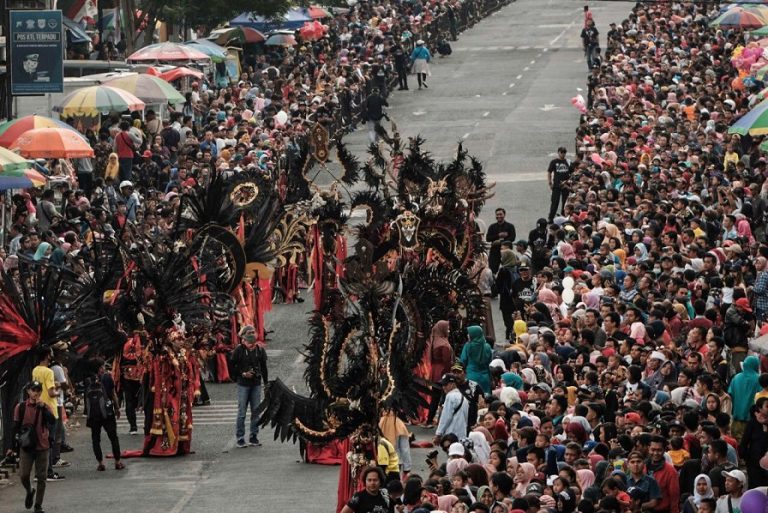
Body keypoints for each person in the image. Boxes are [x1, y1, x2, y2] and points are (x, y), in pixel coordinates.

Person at [230, 324, 268, 448]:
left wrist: (266, 383)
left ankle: (253, 437)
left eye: (253, 333)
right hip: (243, 385)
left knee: (256, 412)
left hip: (256, 384)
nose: (251, 344)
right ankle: (240, 438)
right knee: (242, 413)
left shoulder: (260, 350)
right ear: (243, 339)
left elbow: (264, 368)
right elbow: (231, 367)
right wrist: (242, 374)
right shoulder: (238, 351)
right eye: (249, 334)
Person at [31, 347, 64, 481]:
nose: (52, 355)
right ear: (47, 356)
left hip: (38, 408)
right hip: (50, 410)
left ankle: (38, 472)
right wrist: (58, 391)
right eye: (51, 353)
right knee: (49, 442)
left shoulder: (35, 370)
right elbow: (51, 393)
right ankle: (48, 472)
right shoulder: (49, 372)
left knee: (39, 441)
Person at [85, 358, 124, 471]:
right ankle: (117, 462)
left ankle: (100, 463)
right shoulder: (107, 377)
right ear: (100, 368)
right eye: (102, 366)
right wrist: (117, 408)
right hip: (107, 413)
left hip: (93, 415)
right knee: (113, 437)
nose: (104, 368)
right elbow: (113, 394)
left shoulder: (88, 380)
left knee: (95, 439)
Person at [728, 355, 761, 439]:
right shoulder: (759, 379)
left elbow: (730, 394)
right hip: (753, 420)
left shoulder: (736, 377)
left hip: (736, 419)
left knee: (736, 442)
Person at [118, 334, 143, 435]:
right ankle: (143, 425)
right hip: (140, 375)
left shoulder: (121, 339)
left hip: (127, 375)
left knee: (130, 401)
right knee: (141, 400)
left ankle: (133, 426)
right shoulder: (144, 338)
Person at [434, 373, 469, 442]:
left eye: (445, 385)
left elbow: (446, 417)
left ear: (452, 384)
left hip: (451, 435)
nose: (443, 387)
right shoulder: (464, 398)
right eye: (442, 385)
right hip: (462, 435)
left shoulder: (450, 396)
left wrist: (438, 434)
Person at [460, 325, 492, 394]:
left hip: (471, 376)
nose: (468, 335)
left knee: (473, 396)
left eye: (469, 334)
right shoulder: (487, 347)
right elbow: (489, 360)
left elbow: (463, 361)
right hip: (485, 377)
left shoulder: (468, 346)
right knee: (486, 396)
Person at [486, 208, 516, 274]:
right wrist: (498, 235)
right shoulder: (492, 226)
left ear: (504, 215)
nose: (499, 216)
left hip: (506, 252)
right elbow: (488, 238)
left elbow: (513, 238)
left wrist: (501, 242)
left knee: (508, 271)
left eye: (500, 214)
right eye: (497, 214)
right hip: (494, 252)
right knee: (492, 270)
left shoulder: (510, 226)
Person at [547, 147, 572, 222]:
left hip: (566, 185)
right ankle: (551, 217)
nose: (563, 154)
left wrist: (569, 182)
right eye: (561, 152)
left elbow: (572, 172)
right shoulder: (554, 162)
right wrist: (550, 182)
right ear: (558, 152)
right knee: (555, 202)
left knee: (565, 202)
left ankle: (564, 216)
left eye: (564, 152)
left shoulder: (568, 162)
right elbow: (549, 172)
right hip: (557, 184)